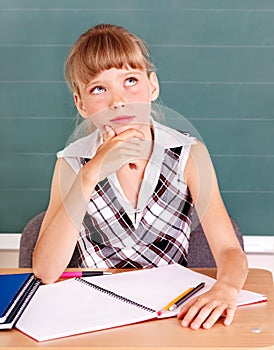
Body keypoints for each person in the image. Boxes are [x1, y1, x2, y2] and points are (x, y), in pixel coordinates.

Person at [33, 24, 248, 330]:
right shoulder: (71, 163)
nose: (118, 101)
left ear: (153, 86)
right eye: (99, 89)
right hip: (95, 316)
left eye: (130, 81)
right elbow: (46, 271)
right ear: (81, 104)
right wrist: (90, 173)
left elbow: (229, 250)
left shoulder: (188, 154)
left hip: (172, 314)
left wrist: (226, 288)